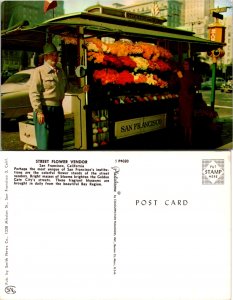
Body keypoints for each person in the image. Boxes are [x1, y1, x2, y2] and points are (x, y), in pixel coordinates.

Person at [29, 42, 88, 150]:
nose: (55, 57)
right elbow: (34, 93)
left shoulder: (60, 71)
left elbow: (68, 87)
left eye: (56, 55)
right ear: (46, 56)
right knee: (45, 145)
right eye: (52, 54)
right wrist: (39, 111)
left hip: (58, 110)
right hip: (45, 110)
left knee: (57, 142)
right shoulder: (39, 71)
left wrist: (81, 90)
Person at [172, 58, 201, 146]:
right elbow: (174, 83)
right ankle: (185, 137)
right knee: (183, 118)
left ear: (190, 65)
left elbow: (193, 85)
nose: (185, 66)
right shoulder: (182, 73)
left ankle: (190, 138)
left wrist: (182, 78)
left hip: (189, 98)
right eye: (184, 64)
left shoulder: (194, 75)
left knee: (189, 118)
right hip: (182, 98)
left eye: (187, 64)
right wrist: (175, 74)